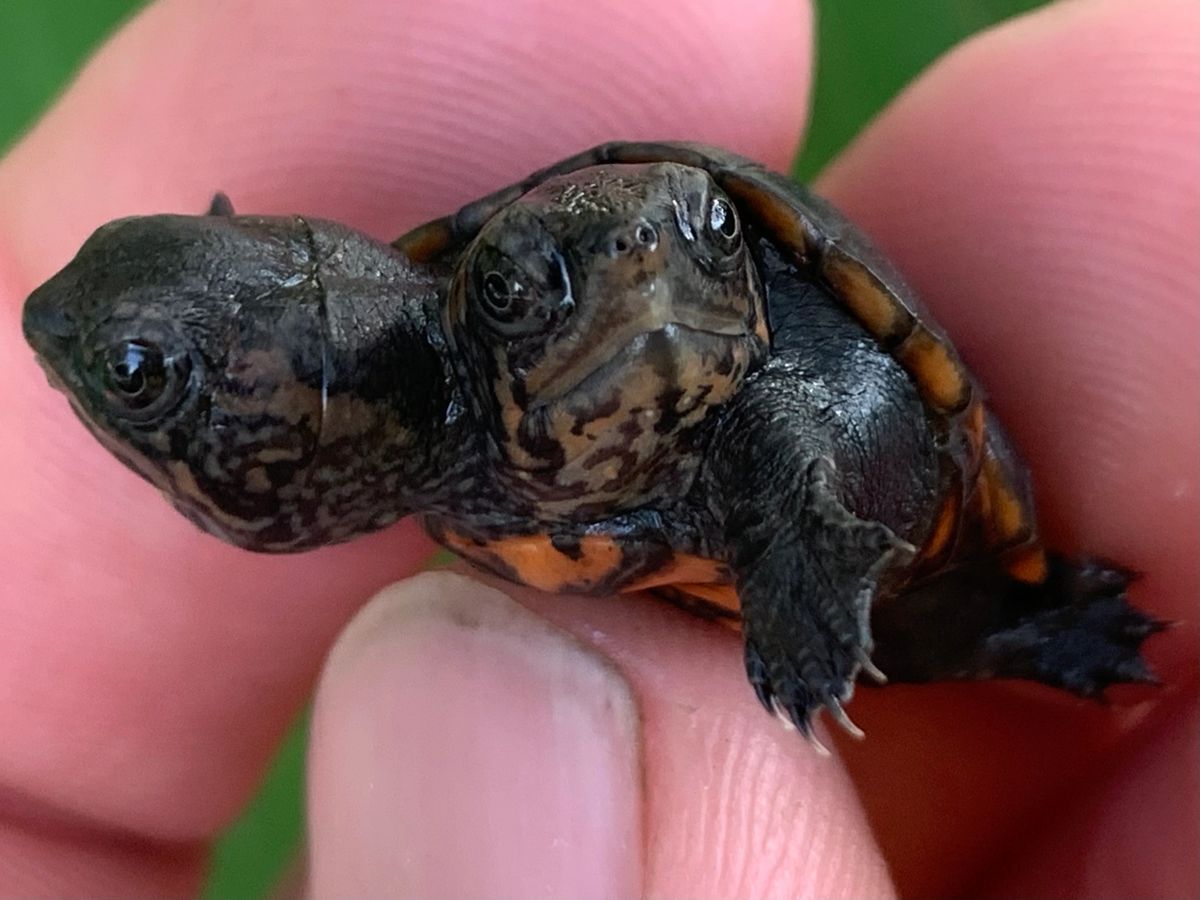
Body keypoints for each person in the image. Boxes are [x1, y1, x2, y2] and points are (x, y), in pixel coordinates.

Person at [0, 0, 1195, 895]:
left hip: (855, 467)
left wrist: (799, 518)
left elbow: (879, 416)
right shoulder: (427, 400)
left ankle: (1016, 619)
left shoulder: (710, 355)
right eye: (529, 289)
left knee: (912, 545)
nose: (653, 292)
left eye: (710, 239)